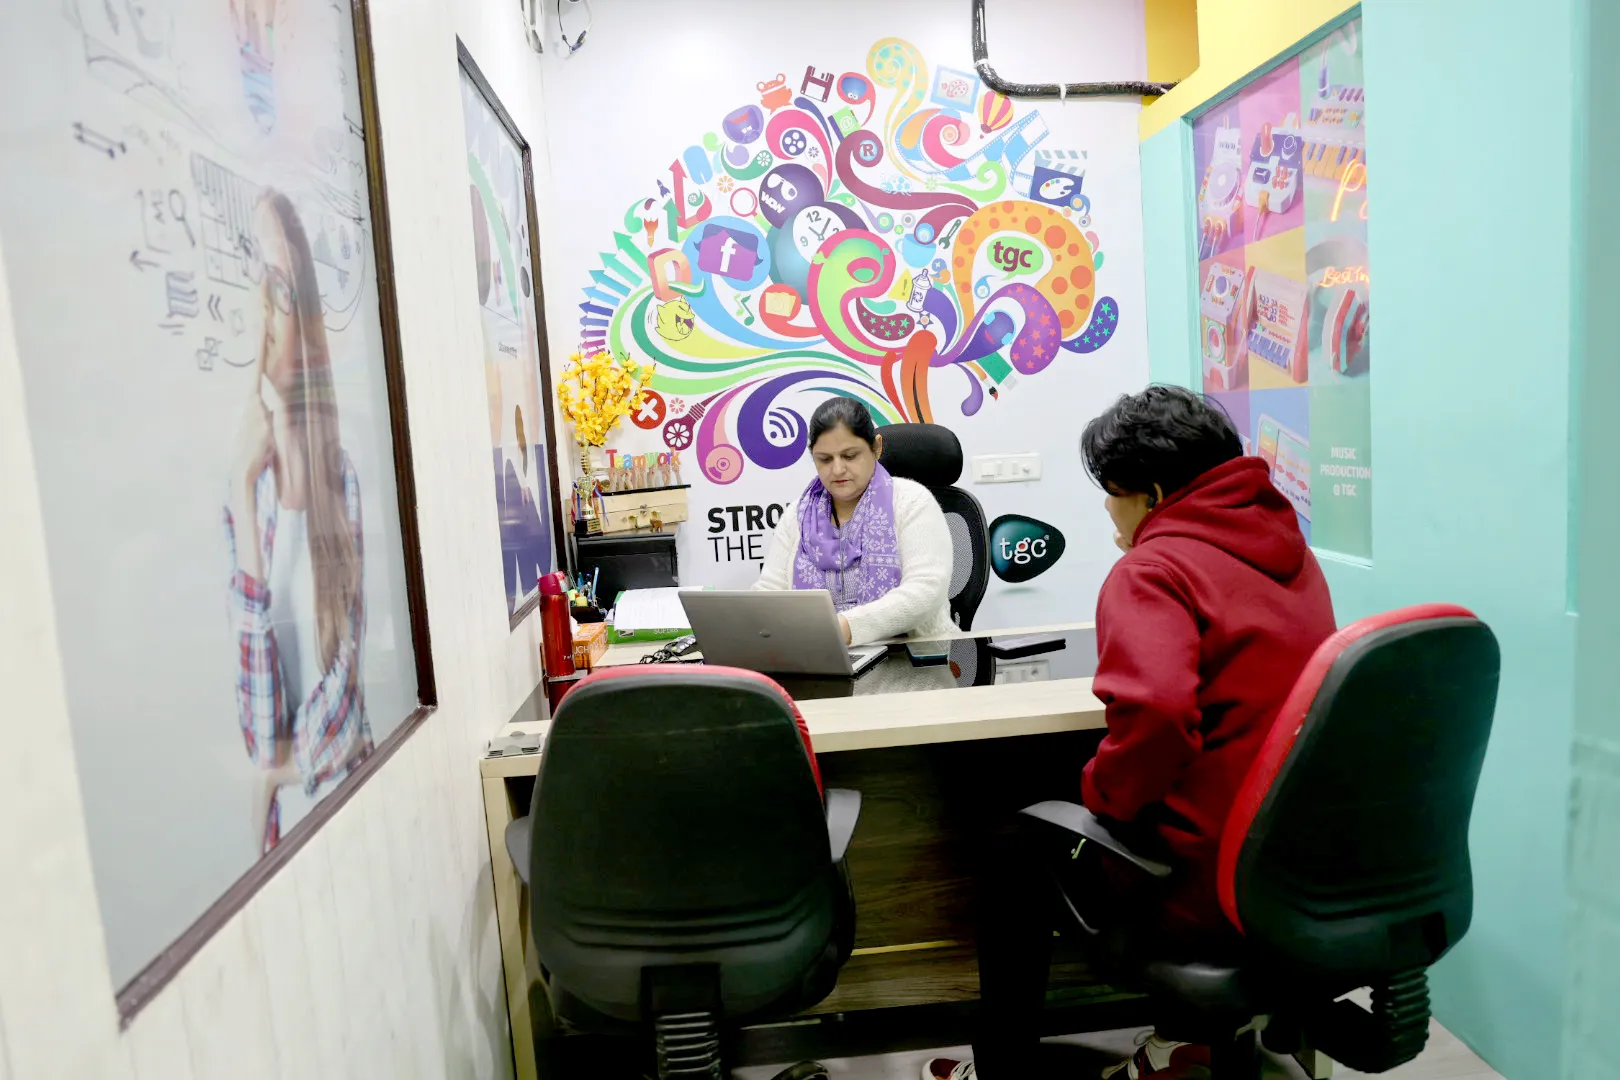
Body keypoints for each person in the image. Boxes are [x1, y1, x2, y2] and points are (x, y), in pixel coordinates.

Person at [927, 386, 1336, 1080]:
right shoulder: (1292, 551)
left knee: (1013, 847)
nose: (1108, 510)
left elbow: (1158, 718)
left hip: (1205, 883)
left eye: (1112, 494)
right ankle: (1186, 1036)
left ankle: (1003, 1071)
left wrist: (1100, 798)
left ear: (1152, 495)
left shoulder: (1153, 569)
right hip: (1297, 864)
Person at [224, 190, 372, 856]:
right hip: (287, 844)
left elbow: (343, 695)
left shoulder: (340, 480)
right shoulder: (243, 497)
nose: (264, 302)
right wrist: (244, 490)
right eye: (254, 276)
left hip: (351, 806)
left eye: (280, 285)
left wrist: (280, 770)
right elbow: (261, 734)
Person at [755, 398, 954, 645]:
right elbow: (769, 593)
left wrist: (845, 628)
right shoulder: (797, 515)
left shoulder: (911, 502)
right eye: (825, 459)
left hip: (910, 657)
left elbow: (925, 590)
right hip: (817, 657)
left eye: (849, 456)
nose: (838, 469)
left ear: (876, 447)